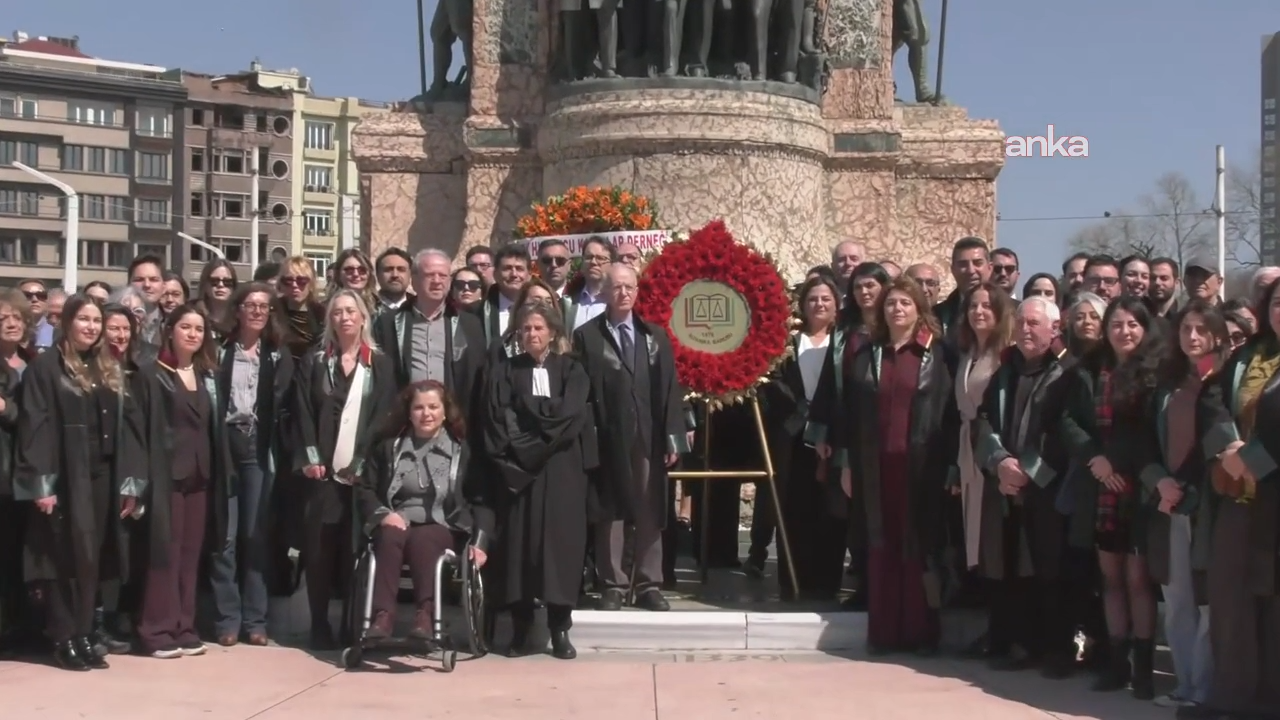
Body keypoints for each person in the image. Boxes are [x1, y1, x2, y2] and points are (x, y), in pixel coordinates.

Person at [823, 276, 956, 654]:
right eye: (891, 304)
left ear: (919, 309)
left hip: (921, 468)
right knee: (881, 547)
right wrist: (847, 465)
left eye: (905, 303)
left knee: (917, 548)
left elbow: (948, 416)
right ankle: (884, 633)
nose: (897, 309)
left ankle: (920, 633)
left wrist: (949, 468)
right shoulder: (868, 353)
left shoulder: (936, 353)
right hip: (874, 468)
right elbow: (850, 414)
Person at [16, 295, 148, 670]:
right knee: (63, 559)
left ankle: (85, 630)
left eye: (96, 321)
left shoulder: (106, 366)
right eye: (84, 320)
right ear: (68, 322)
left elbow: (131, 427)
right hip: (65, 476)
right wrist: (41, 484)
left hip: (102, 475)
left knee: (93, 559)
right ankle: (63, 636)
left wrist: (130, 483)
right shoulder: (46, 368)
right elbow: (35, 425)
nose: (91, 327)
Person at [1060, 296, 1165, 699]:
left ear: (1144, 328)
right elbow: (1068, 420)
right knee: (1111, 579)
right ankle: (1116, 664)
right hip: (1102, 484)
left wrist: (1119, 464)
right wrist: (1094, 459)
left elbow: (1149, 431)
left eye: (1132, 324)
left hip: (1141, 487)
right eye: (1117, 324)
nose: (1124, 332)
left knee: (1138, 580)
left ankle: (1144, 670)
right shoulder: (1089, 369)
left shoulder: (1157, 371)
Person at [483, 304, 596, 659]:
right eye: (526, 329)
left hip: (562, 470)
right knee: (520, 548)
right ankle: (521, 630)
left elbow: (569, 416)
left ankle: (559, 629)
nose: (532, 334)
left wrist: (532, 420)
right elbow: (500, 418)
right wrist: (531, 437)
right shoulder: (505, 371)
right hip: (519, 473)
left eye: (538, 328)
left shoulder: (572, 370)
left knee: (560, 549)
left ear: (552, 332)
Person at [575, 264, 687, 612]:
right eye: (617, 287)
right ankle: (612, 583)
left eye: (630, 287)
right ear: (604, 292)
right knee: (611, 510)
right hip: (608, 438)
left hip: (648, 437)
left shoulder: (654, 336)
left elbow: (670, 390)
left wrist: (673, 438)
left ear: (637, 291)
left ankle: (648, 584)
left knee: (649, 508)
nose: (624, 293)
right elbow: (582, 392)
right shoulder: (587, 337)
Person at [971, 297, 1074, 678]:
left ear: (1054, 329)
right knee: (1010, 565)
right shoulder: (1005, 372)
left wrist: (1028, 471)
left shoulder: (1066, 374)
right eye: (1022, 323)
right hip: (1007, 484)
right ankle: (1016, 642)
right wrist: (1000, 463)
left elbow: (1065, 431)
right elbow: (983, 423)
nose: (1026, 330)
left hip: (1049, 488)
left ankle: (1056, 649)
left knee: (1049, 570)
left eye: (1035, 323)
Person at [293, 290, 397, 650]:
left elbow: (385, 418)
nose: (345, 318)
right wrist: (310, 457)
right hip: (321, 474)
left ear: (364, 317)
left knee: (355, 552)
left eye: (351, 311)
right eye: (337, 312)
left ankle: (354, 626)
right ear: (330, 320)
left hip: (361, 476)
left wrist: (363, 463)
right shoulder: (316, 361)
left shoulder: (379, 365)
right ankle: (319, 624)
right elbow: (303, 411)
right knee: (320, 551)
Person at [1137, 299, 1225, 711]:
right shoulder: (1166, 383)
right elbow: (1144, 443)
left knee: (1207, 603)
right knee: (1176, 601)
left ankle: (1206, 689)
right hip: (1168, 501)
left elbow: (1218, 440)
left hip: (1209, 504)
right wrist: (1160, 482)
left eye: (1200, 329)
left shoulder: (1222, 379)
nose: (1192, 337)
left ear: (1216, 335)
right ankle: (1184, 684)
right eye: (1186, 328)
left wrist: (1186, 484)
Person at [1199, 277, 1280, 718]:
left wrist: (1256, 461)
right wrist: (1227, 450)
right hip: (1238, 497)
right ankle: (1230, 698)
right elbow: (1211, 403)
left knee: (1273, 606)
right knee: (1230, 600)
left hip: (1274, 496)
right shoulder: (1247, 356)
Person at [356, 381, 493, 641]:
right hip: (397, 520)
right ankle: (382, 617)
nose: (426, 413)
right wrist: (384, 514)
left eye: (433, 407)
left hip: (444, 523)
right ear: (409, 412)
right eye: (419, 407)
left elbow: (481, 498)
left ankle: (426, 616)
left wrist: (481, 542)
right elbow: (365, 489)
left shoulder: (462, 452)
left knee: (424, 539)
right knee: (389, 536)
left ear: (445, 412)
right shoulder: (389, 449)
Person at [751, 275, 847, 599]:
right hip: (792, 437)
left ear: (837, 305)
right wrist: (801, 411)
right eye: (813, 299)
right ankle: (792, 580)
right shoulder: (787, 343)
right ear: (803, 305)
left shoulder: (844, 343)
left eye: (825, 299)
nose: (819, 305)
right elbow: (772, 382)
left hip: (832, 438)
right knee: (793, 508)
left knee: (829, 509)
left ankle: (826, 583)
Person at [209, 283, 294, 647]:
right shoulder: (218, 350)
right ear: (238, 310)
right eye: (251, 305)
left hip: (259, 448)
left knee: (255, 535)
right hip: (224, 445)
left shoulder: (277, 355)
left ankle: (255, 621)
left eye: (265, 306)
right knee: (223, 537)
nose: (258, 312)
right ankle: (228, 618)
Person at [137, 304, 224, 659]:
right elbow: (143, 429)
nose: (192, 334)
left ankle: (184, 626)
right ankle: (156, 630)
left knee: (190, 555)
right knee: (165, 554)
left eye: (199, 329)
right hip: (166, 475)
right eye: (185, 327)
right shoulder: (152, 373)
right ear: (170, 330)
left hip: (200, 475)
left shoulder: (206, 373)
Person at [372, 249, 487, 424]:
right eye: (430, 275)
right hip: (405, 422)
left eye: (443, 275)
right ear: (415, 280)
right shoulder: (389, 324)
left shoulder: (469, 324)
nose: (437, 281)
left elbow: (476, 377)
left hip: (453, 422)